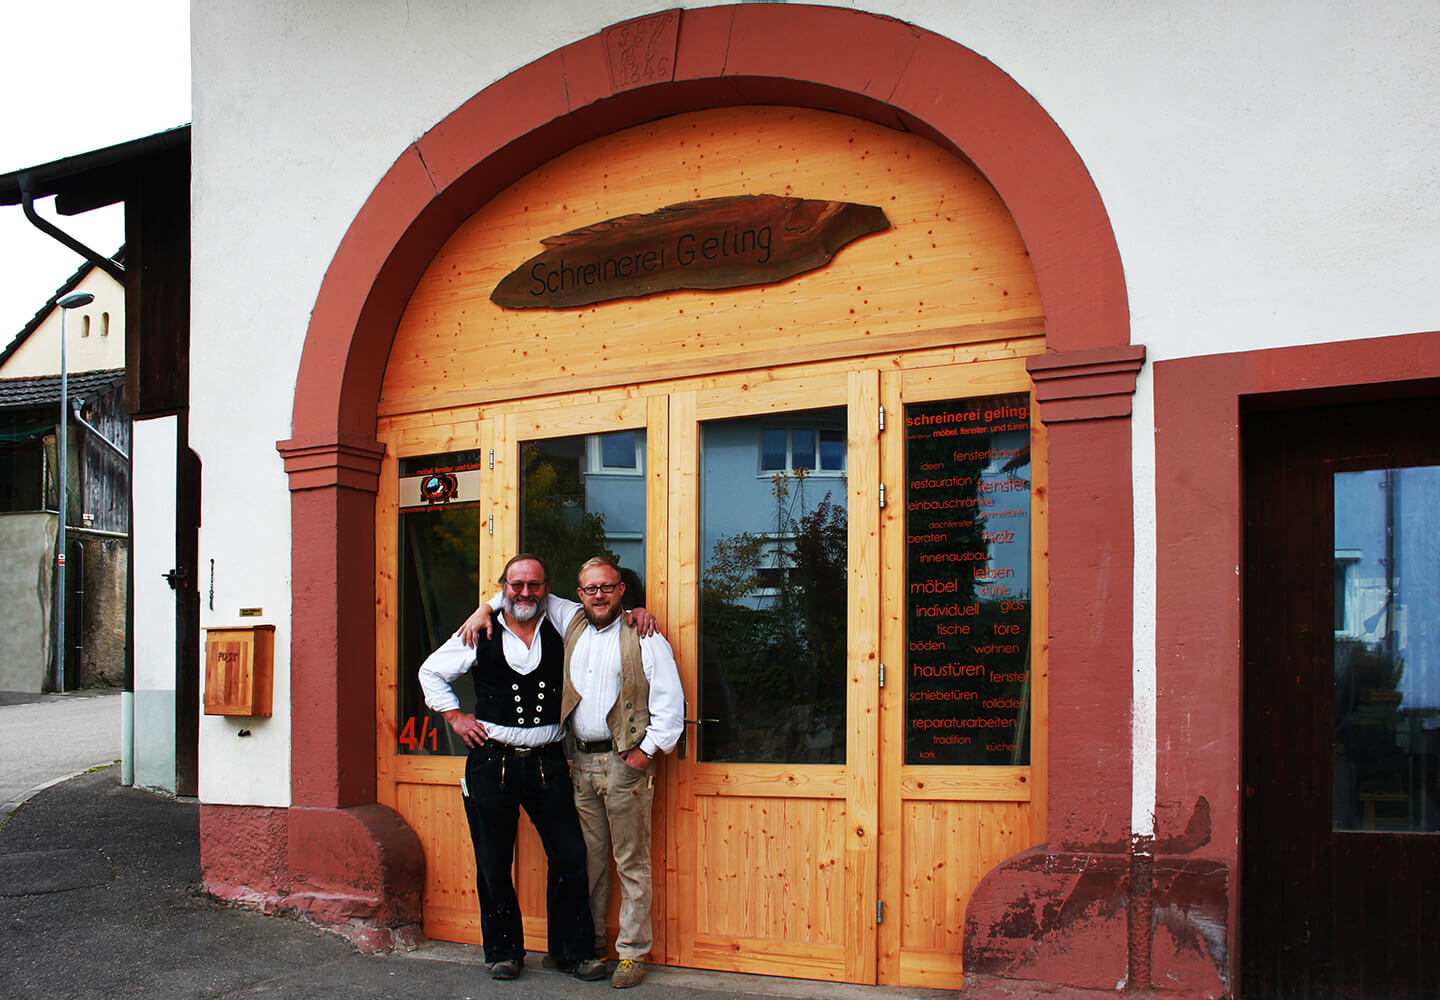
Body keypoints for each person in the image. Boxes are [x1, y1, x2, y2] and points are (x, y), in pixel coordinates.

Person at [461, 556, 682, 988]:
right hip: (577, 763)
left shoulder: (645, 635)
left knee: (631, 862)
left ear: (621, 590)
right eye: (590, 589)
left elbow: (670, 706)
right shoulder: (571, 618)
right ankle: (589, 946)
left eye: (607, 587)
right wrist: (484, 608)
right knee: (587, 862)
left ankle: (632, 953)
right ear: (579, 595)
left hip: (624, 762)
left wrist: (643, 754)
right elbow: (523, 591)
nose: (599, 595)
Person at [417, 553, 606, 983]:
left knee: (570, 856)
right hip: (492, 761)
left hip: (548, 762)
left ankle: (570, 953)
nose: (525, 592)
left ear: (547, 588)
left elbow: (604, 611)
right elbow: (430, 672)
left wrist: (638, 615)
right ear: (504, 587)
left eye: (534, 585)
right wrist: (455, 717)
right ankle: (504, 952)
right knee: (493, 861)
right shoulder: (480, 630)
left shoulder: (563, 620)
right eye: (516, 585)